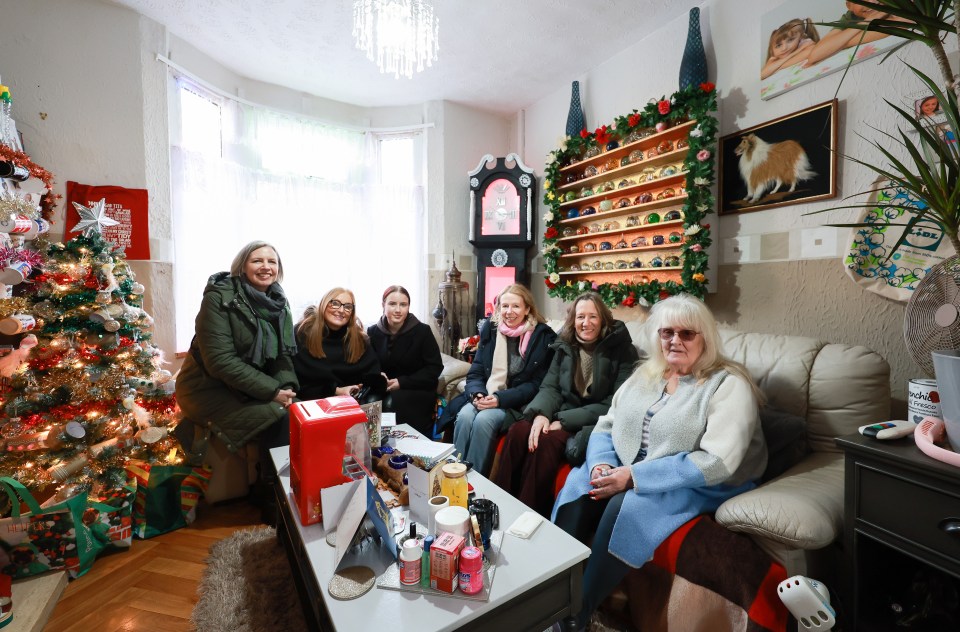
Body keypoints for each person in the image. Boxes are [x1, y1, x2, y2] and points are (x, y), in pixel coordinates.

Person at [552, 294, 767, 630]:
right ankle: (554, 592)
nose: (675, 341)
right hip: (631, 466)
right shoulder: (646, 375)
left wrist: (634, 476)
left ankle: (578, 612)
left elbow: (717, 462)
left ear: (705, 338)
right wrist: (601, 465)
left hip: (697, 480)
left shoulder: (727, 385)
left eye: (687, 334)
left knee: (627, 505)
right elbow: (606, 426)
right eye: (667, 333)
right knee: (582, 486)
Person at [493, 292, 640, 517]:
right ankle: (499, 504)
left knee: (547, 442)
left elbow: (614, 403)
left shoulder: (621, 350)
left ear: (602, 319)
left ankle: (528, 515)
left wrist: (562, 421)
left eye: (592, 316)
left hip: (589, 422)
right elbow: (550, 386)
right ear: (573, 320)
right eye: (580, 317)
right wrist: (541, 414)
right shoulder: (565, 345)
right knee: (519, 429)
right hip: (560, 411)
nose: (586, 323)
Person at [175, 241, 299, 461]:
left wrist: (286, 388)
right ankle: (269, 488)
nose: (266, 266)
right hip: (207, 388)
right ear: (242, 267)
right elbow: (220, 361)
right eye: (257, 261)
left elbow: (282, 354)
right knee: (282, 416)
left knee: (298, 409)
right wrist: (272, 392)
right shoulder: (218, 298)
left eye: (272, 261)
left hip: (245, 386)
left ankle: (291, 482)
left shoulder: (278, 302)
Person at [451, 284, 556, 475]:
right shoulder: (491, 330)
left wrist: (500, 399)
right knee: (465, 416)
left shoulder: (543, 337)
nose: (509, 312)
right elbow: (476, 371)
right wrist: (477, 393)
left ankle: (474, 479)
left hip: (516, 404)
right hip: (487, 395)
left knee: (484, 420)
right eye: (504, 306)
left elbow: (537, 385)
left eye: (516, 306)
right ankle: (453, 473)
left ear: (527, 309)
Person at [367, 285, 443, 435]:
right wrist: (378, 375)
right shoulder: (372, 332)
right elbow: (368, 364)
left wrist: (402, 382)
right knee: (370, 402)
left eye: (403, 304)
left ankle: (404, 453)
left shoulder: (423, 331)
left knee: (394, 402)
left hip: (415, 388)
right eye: (392, 304)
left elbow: (434, 368)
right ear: (383, 305)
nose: (398, 310)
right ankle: (374, 451)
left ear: (408, 307)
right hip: (383, 387)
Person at [293, 287, 381, 401]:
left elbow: (372, 374)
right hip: (312, 403)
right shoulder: (302, 333)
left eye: (348, 307)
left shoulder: (360, 339)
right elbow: (299, 385)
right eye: (335, 303)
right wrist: (335, 391)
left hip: (351, 402)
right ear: (324, 304)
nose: (341, 310)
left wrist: (361, 388)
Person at [803, 2, 908, 68]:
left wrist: (841, 42)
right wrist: (867, 21)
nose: (871, 2)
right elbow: (815, 55)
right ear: (849, 5)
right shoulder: (851, 16)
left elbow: (904, 22)